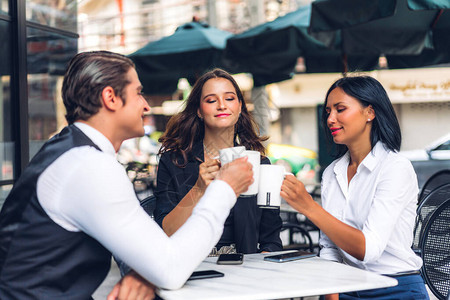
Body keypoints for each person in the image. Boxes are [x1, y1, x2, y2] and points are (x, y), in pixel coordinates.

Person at [0, 51, 254, 300]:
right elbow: (171, 268)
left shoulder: (75, 152)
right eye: (138, 93)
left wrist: (145, 271)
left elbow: (153, 254)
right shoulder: (87, 166)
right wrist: (225, 187)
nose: (145, 105)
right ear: (110, 97)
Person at [281, 76, 429, 299]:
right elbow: (330, 249)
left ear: (370, 112)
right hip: (347, 286)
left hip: (396, 287)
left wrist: (309, 207)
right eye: (328, 111)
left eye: (340, 109)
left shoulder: (394, 167)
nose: (331, 118)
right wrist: (330, 295)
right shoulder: (333, 173)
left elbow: (368, 249)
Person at [154, 68, 282, 254]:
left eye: (229, 98)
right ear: (199, 110)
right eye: (211, 100)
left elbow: (271, 240)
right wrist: (199, 188)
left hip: (245, 269)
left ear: (239, 106)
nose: (222, 105)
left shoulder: (260, 165)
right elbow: (166, 232)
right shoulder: (173, 161)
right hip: (191, 267)